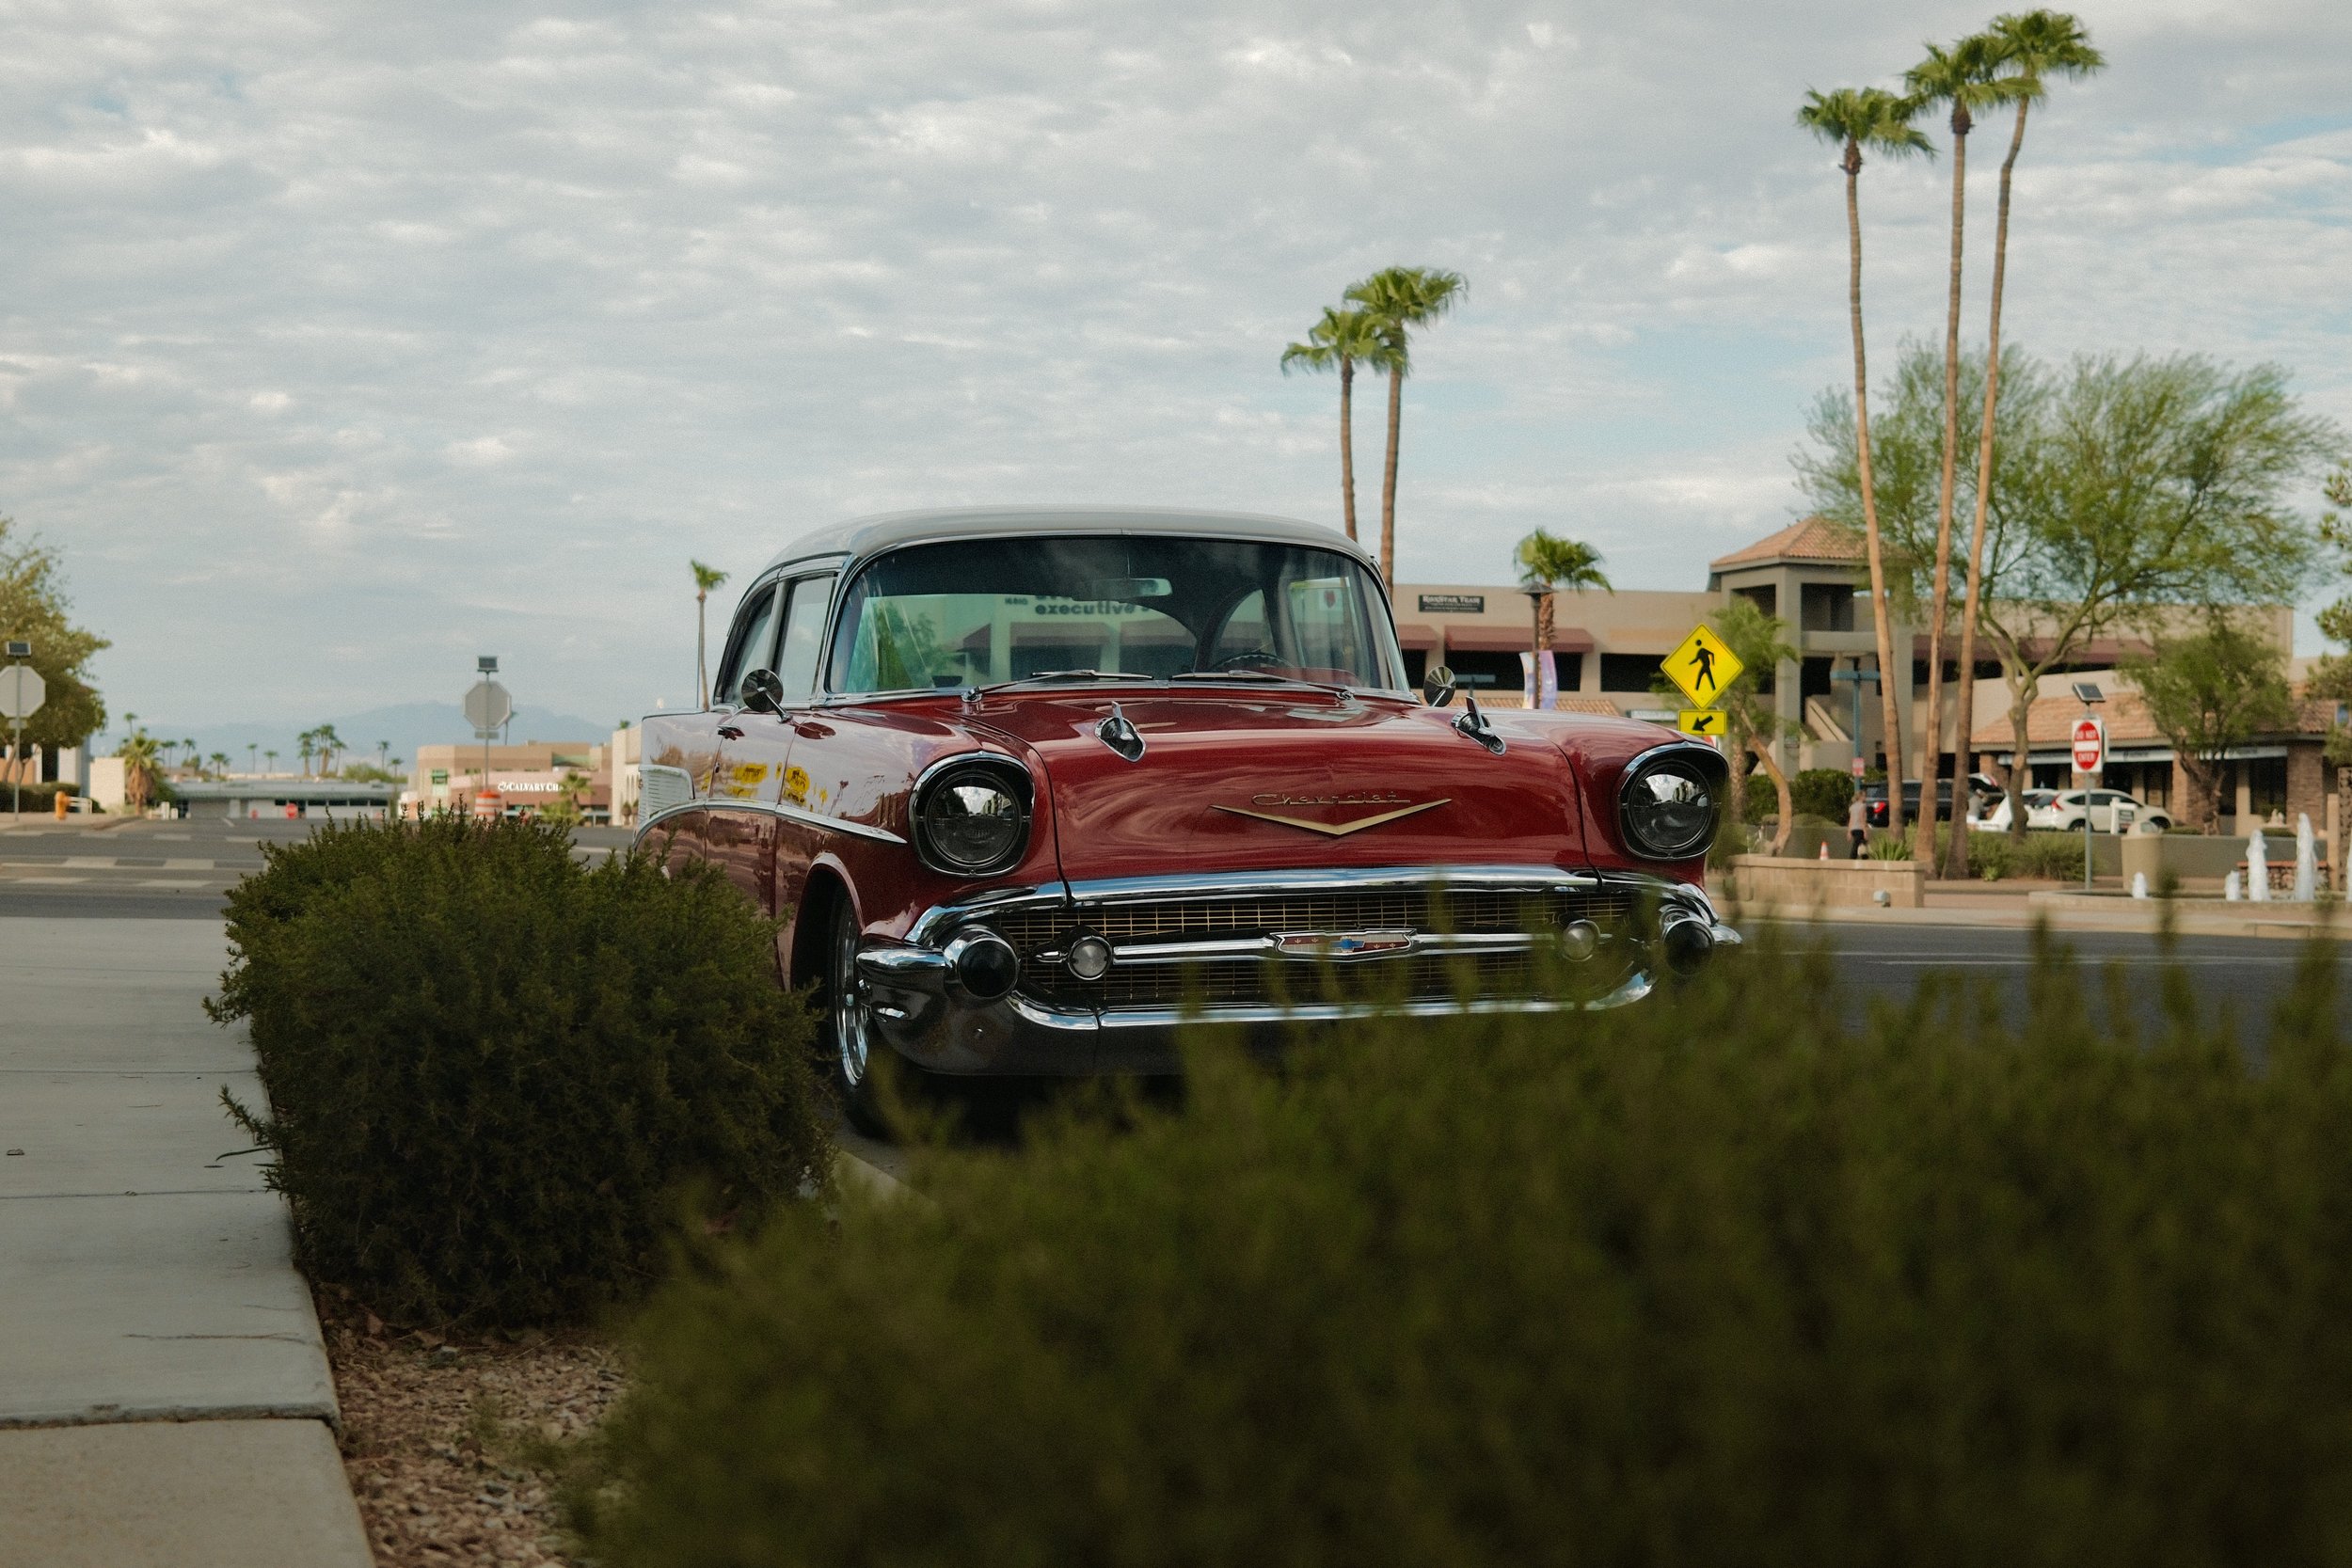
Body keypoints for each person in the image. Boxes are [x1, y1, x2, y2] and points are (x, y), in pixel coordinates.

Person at [1847, 791, 1867, 860]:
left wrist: (1849, 831)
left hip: (1853, 828)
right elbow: (1862, 818)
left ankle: (1864, 858)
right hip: (1859, 828)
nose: (1865, 798)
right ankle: (1852, 858)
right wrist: (1865, 831)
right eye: (1864, 796)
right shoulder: (1862, 806)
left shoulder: (1852, 807)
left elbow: (1851, 819)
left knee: (1862, 844)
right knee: (1857, 844)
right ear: (1860, 797)